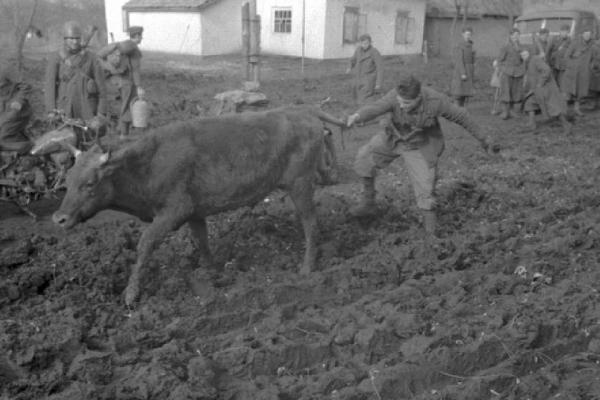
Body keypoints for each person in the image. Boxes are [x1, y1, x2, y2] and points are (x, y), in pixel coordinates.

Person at [346, 74, 494, 235]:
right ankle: (369, 203)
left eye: (407, 103)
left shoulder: (435, 101)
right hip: (393, 138)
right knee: (364, 158)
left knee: (425, 190)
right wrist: (357, 116)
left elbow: (462, 117)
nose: (401, 106)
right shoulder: (394, 96)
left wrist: (485, 139)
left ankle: (430, 235)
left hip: (420, 146)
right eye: (400, 101)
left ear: (418, 98)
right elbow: (376, 107)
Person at [44, 20, 106, 130]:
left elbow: (102, 88)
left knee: (89, 141)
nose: (75, 42)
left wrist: (101, 114)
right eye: (71, 38)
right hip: (65, 107)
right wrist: (51, 110)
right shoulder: (56, 58)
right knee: (66, 140)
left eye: (77, 38)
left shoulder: (91, 58)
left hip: (87, 107)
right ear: (65, 39)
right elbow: (50, 86)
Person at [97, 26, 145, 138]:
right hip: (128, 82)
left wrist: (110, 69)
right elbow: (135, 69)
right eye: (140, 35)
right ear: (136, 36)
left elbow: (99, 56)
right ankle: (124, 134)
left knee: (126, 104)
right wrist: (138, 87)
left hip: (118, 80)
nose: (141, 38)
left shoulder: (120, 45)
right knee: (127, 106)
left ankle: (121, 130)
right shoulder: (133, 48)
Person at [520, 49, 572, 134]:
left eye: (525, 54)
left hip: (546, 89)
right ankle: (532, 124)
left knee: (553, 108)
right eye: (522, 55)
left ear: (529, 53)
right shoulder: (527, 63)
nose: (524, 57)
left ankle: (566, 125)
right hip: (537, 90)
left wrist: (541, 83)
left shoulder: (535, 59)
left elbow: (547, 69)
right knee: (529, 103)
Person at [494, 28, 526, 120]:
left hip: (518, 73)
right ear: (510, 36)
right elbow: (499, 60)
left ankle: (511, 111)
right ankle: (505, 111)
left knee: (515, 92)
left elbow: (523, 60)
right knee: (506, 91)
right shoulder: (506, 46)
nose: (515, 37)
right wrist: (501, 69)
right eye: (514, 35)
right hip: (507, 72)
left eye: (517, 35)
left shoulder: (521, 47)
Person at [0, 65, 33, 154]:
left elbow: (26, 86)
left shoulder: (7, 70)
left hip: (16, 111)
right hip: (3, 112)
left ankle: (28, 147)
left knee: (3, 137)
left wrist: (19, 101)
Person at [562, 28, 594, 116]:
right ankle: (564, 111)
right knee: (567, 92)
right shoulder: (575, 43)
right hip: (572, 72)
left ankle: (576, 109)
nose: (587, 36)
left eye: (589, 34)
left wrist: (590, 67)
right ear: (582, 34)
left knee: (580, 92)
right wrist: (571, 65)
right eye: (586, 34)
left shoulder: (591, 45)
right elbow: (566, 56)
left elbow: (592, 59)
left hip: (583, 73)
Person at [346, 34, 383, 106]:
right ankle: (358, 112)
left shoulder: (374, 52)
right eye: (362, 43)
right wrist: (349, 67)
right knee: (356, 98)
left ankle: (366, 113)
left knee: (365, 99)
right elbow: (352, 60)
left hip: (369, 80)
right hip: (358, 78)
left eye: (366, 43)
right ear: (360, 43)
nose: (364, 45)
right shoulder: (358, 50)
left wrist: (378, 84)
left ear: (370, 42)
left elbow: (380, 68)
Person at [451, 27, 475, 107]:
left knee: (464, 92)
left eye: (470, 34)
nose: (468, 36)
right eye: (467, 34)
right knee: (458, 92)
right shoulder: (459, 45)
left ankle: (461, 111)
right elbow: (459, 61)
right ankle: (456, 111)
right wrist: (463, 73)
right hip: (461, 71)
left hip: (469, 71)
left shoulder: (470, 45)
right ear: (463, 34)